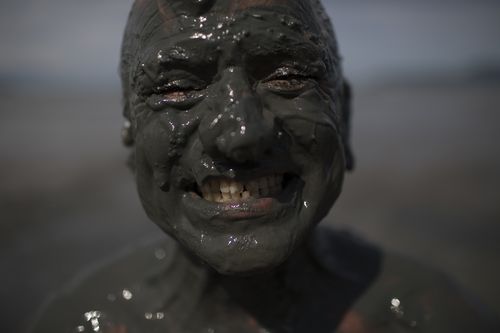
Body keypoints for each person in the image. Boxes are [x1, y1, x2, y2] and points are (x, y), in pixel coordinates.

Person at [30, 0, 497, 332]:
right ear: (131, 133)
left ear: (345, 117)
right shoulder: (84, 322)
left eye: (289, 78)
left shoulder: (426, 317)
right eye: (175, 89)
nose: (240, 134)